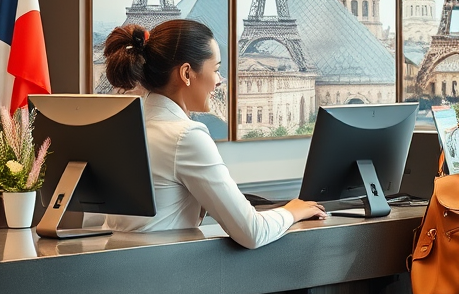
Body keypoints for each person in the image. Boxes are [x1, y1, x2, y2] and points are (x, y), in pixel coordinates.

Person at [102, 19, 326, 249]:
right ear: (186, 73)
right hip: (167, 268)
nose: (220, 81)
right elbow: (252, 232)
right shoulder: (186, 136)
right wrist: (292, 211)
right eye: (216, 70)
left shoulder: (125, 129)